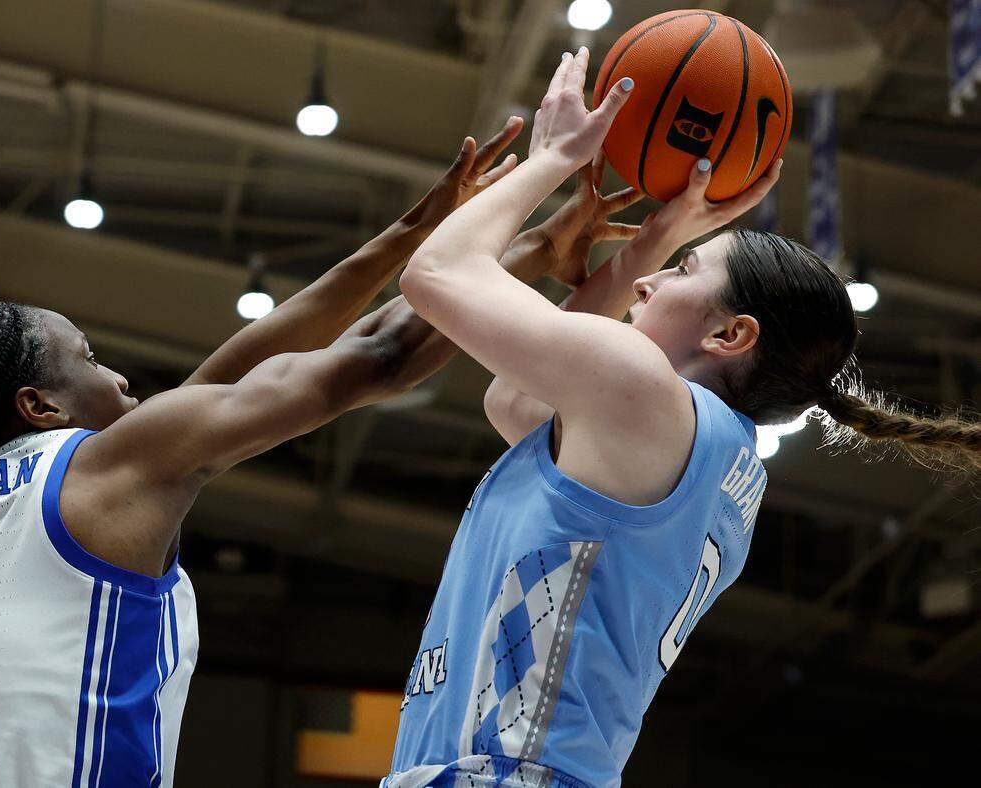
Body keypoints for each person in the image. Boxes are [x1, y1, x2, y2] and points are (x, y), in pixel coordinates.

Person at [0, 119, 570, 788]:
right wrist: (539, 182)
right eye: (90, 358)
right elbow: (379, 354)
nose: (120, 377)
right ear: (40, 406)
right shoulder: (101, 471)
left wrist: (435, 226)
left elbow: (238, 370)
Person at [386, 47, 979, 787]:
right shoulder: (705, 452)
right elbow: (513, 398)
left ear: (731, 336)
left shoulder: (646, 399)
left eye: (684, 271)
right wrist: (660, 236)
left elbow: (436, 274)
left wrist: (557, 157)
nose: (652, 282)